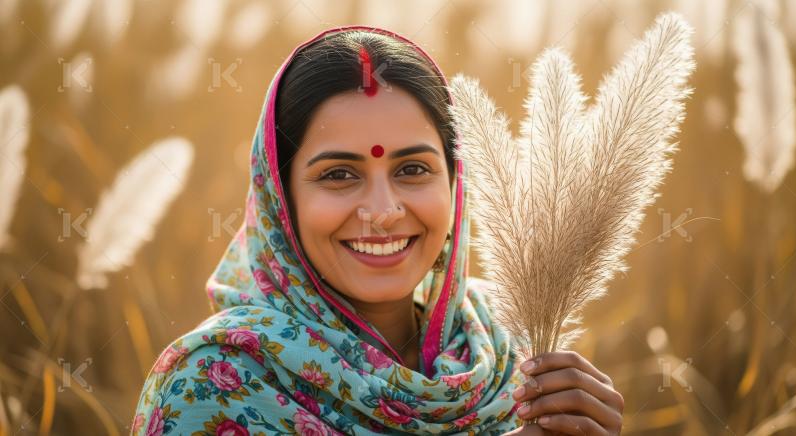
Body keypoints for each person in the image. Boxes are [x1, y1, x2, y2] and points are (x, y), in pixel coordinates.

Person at [130, 26, 623, 435]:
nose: (383, 211)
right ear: (281, 202)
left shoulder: (514, 352)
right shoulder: (211, 387)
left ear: (456, 185)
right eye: (339, 175)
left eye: (413, 170)